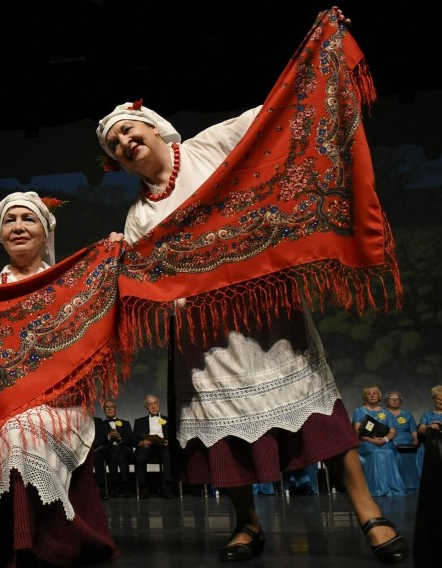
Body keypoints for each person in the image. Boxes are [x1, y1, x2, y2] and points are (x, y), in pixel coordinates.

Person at [95, 7, 407, 563]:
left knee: (317, 411)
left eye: (128, 129)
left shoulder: (211, 146)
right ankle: (246, 524)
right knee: (221, 431)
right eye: (114, 143)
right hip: (203, 336)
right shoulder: (138, 218)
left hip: (266, 310)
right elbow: (149, 280)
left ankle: (369, 513)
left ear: (157, 128)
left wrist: (321, 63)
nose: (122, 141)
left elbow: (278, 121)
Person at [0, 191, 120, 568]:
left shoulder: (70, 283)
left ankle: (35, 544)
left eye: (28, 219)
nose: (18, 227)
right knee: (13, 426)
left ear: (46, 230)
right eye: (10, 220)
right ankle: (15, 539)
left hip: (59, 401)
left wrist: (118, 256)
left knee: (22, 429)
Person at [352, 385, 407, 497]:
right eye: (369, 393)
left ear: (379, 396)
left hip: (385, 441)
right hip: (366, 441)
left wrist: (385, 439)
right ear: (365, 397)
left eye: (374, 393)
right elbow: (357, 432)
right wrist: (372, 440)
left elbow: (392, 431)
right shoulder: (359, 411)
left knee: (389, 452)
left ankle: (392, 487)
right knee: (374, 452)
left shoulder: (386, 413)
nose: (372, 395)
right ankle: (375, 488)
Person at [131, 394, 175, 499]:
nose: (153, 406)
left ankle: (167, 488)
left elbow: (175, 437)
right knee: (140, 456)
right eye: (150, 404)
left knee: (167, 454)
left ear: (159, 405)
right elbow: (133, 439)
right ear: (146, 407)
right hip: (147, 448)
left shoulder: (169, 420)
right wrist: (142, 443)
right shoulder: (139, 421)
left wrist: (169, 442)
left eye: (155, 403)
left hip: (163, 447)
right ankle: (143, 487)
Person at [92, 399, 134, 499]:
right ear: (104, 410)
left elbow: (132, 440)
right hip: (108, 451)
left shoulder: (125, 423)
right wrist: (108, 437)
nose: (110, 409)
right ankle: (116, 487)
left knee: (120, 453)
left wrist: (121, 439)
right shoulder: (99, 425)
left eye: (112, 406)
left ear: (115, 409)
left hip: (123, 450)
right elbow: (95, 442)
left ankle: (124, 485)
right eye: (107, 407)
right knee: (114, 452)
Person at [384, 389, 419, 493]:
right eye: (392, 398)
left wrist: (416, 441)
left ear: (400, 401)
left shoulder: (407, 414)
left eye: (397, 398)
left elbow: (413, 430)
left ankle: (411, 485)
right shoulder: (382, 413)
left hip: (408, 442)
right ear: (386, 401)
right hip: (390, 441)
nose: (395, 400)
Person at [415, 384, 442, 475]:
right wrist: (429, 426)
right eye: (439, 399)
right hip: (429, 447)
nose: (441, 402)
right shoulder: (427, 415)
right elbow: (420, 430)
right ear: (433, 400)